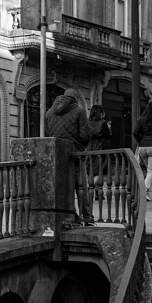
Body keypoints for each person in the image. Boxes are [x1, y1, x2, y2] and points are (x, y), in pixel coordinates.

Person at [44, 87, 100, 226]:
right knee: (81, 186)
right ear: (75, 98)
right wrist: (82, 146)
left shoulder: (49, 112)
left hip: (58, 154)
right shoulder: (79, 111)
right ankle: (86, 217)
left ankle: (71, 216)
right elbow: (85, 134)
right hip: (76, 154)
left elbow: (48, 133)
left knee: (64, 187)